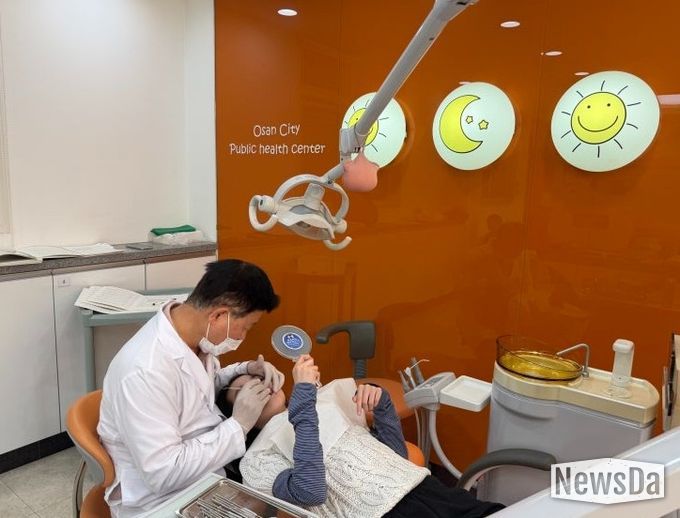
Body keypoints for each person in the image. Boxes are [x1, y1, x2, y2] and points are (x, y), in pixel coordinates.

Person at [98, 259, 285, 517]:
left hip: (204, 474)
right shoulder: (145, 371)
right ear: (218, 315)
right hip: (163, 501)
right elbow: (163, 474)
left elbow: (196, 385)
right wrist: (238, 426)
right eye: (246, 327)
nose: (242, 337)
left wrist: (245, 369)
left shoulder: (189, 331)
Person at [219, 355, 504, 518]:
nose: (261, 385)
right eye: (246, 388)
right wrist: (303, 400)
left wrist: (381, 407)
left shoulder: (324, 402)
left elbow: (396, 458)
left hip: (423, 487)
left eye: (261, 378)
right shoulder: (258, 459)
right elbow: (310, 492)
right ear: (236, 410)